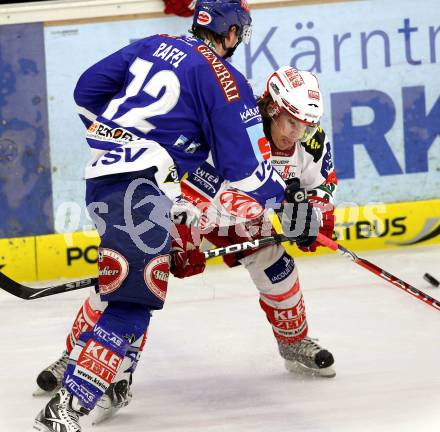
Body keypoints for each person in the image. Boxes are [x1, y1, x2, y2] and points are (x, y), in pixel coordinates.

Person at [32, 1, 319, 431]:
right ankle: (64, 411)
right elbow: (241, 169)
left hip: (107, 180)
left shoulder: (155, 42)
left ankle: (112, 377)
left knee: (137, 288)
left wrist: (117, 141)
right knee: (132, 299)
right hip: (141, 190)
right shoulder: (227, 79)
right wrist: (286, 199)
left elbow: (86, 92)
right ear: (232, 33)